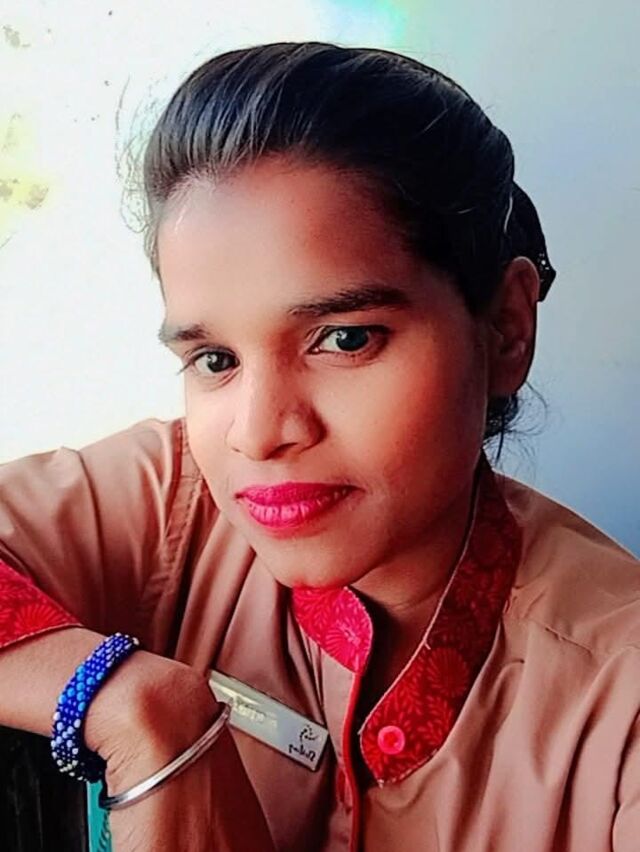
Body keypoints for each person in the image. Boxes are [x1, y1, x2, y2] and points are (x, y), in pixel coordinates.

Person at [0, 40, 638, 852]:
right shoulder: (172, 499)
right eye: (215, 360)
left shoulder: (618, 702)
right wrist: (136, 705)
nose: (260, 431)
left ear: (506, 329)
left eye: (344, 338)